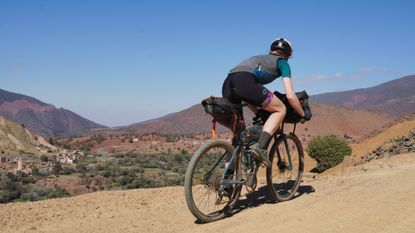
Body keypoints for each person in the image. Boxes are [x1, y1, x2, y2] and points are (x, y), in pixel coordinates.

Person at [222, 38, 305, 167]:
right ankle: (260, 148)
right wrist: (302, 113)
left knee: (237, 137)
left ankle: (227, 182)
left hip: (227, 84)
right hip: (245, 82)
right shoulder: (282, 63)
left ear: (271, 50)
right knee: (281, 109)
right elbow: (290, 95)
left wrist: (259, 112)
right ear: (288, 55)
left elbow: (247, 94)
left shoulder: (258, 58)